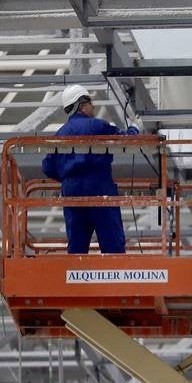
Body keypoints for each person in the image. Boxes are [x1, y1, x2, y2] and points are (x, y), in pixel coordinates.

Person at [41, 84, 139, 255]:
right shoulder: (98, 126)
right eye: (90, 102)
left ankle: (77, 278)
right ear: (81, 105)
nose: (93, 106)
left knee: (77, 246)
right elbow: (126, 141)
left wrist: (67, 177)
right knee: (112, 244)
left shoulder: (59, 135)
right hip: (100, 187)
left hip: (71, 190)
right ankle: (116, 278)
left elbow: (48, 167)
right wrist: (135, 127)